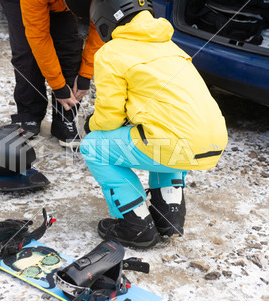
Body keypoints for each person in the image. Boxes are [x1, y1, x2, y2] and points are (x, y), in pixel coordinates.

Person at [80, 0, 228, 248]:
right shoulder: (170, 46)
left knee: (94, 146)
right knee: (162, 138)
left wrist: (91, 124)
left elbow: (109, 118)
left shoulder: (113, 51)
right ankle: (168, 216)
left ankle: (135, 226)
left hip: (175, 141)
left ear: (104, 17)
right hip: (213, 138)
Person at [0, 0, 104, 147]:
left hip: (62, 3)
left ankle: (64, 119)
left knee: (70, 47)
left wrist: (86, 74)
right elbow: (38, 36)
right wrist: (58, 85)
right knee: (27, 54)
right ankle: (29, 114)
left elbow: (101, 29)